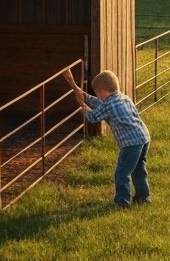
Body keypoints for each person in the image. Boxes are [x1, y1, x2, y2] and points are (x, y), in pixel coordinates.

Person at [64, 68, 150, 208]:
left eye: (97, 92)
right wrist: (83, 94)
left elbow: (93, 117)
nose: (97, 95)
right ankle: (143, 198)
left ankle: (122, 202)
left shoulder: (109, 104)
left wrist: (83, 106)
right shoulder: (122, 98)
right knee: (138, 169)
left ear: (103, 91)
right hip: (143, 137)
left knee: (122, 173)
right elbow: (100, 104)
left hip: (131, 144)